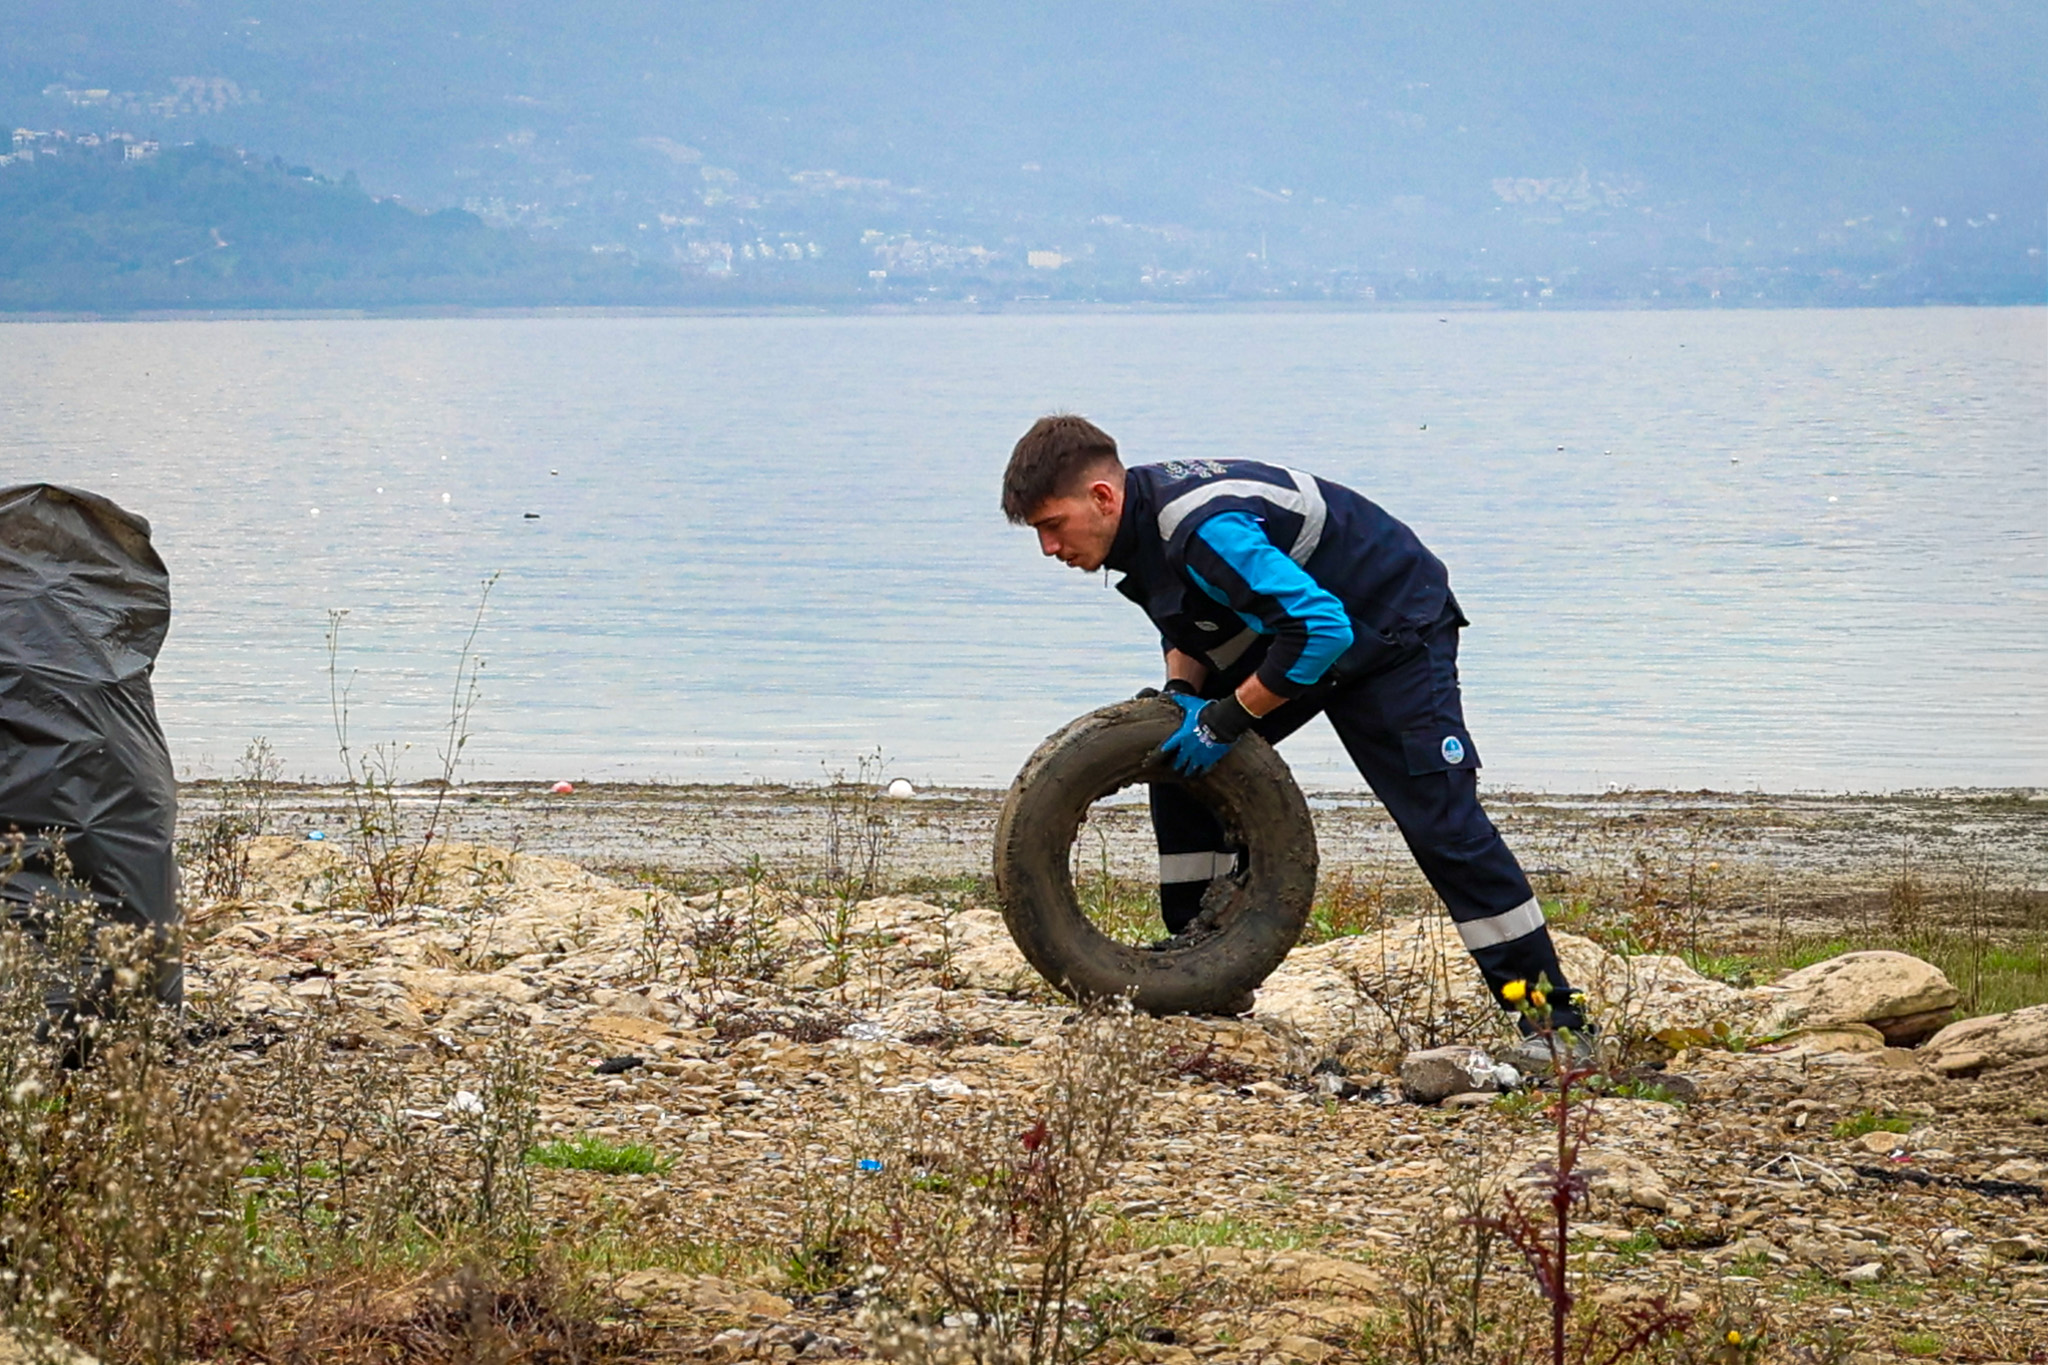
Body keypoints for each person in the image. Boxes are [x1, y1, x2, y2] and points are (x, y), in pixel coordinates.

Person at [1000, 414, 1588, 1050]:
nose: (1049, 549)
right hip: (1298, 630)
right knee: (1180, 770)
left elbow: (1322, 629)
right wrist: (1183, 696)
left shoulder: (1204, 528)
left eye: (1052, 525)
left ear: (1102, 496)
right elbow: (1189, 621)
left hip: (1387, 625)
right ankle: (1200, 972)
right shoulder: (1135, 529)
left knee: (1443, 828)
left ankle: (1555, 1024)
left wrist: (1227, 718)